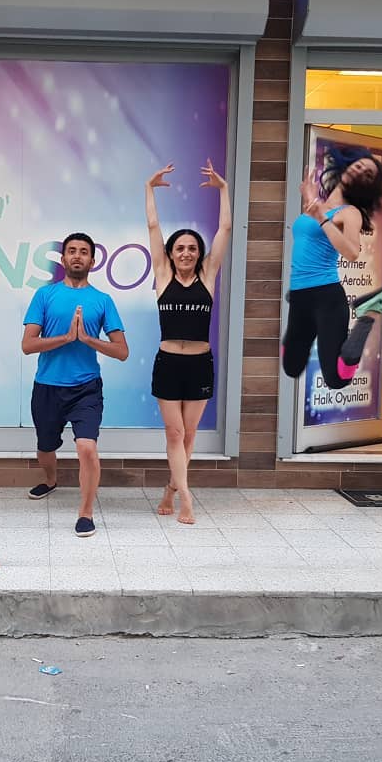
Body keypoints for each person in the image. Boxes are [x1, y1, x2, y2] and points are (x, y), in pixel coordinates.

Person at [21, 233, 129, 537]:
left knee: (87, 448)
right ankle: (51, 480)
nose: (77, 256)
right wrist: (67, 338)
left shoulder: (103, 300)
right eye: (72, 251)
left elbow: (122, 351)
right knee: (45, 448)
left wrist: (88, 339)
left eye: (83, 252)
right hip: (47, 387)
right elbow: (28, 345)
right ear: (63, 259)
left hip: (86, 388)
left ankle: (85, 513)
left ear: (92, 261)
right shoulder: (45, 295)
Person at [144, 160, 231, 525]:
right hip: (168, 364)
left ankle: (171, 487)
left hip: (199, 364)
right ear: (171, 252)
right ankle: (186, 498)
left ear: (199, 253)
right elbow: (153, 226)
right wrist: (149, 189)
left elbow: (225, 228)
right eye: (179, 248)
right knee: (175, 432)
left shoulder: (208, 275)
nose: (186, 253)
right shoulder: (163, 274)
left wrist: (223, 189)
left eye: (192, 248)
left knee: (189, 433)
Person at [281, 145, 382, 391]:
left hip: (326, 296)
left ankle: (368, 314)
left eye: (367, 173)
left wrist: (322, 219)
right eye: (359, 164)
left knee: (338, 378)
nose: (360, 169)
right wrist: (311, 200)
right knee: (291, 367)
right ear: (346, 166)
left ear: (366, 185)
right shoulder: (318, 206)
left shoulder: (350, 213)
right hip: (301, 294)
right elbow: (308, 241)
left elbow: (352, 252)